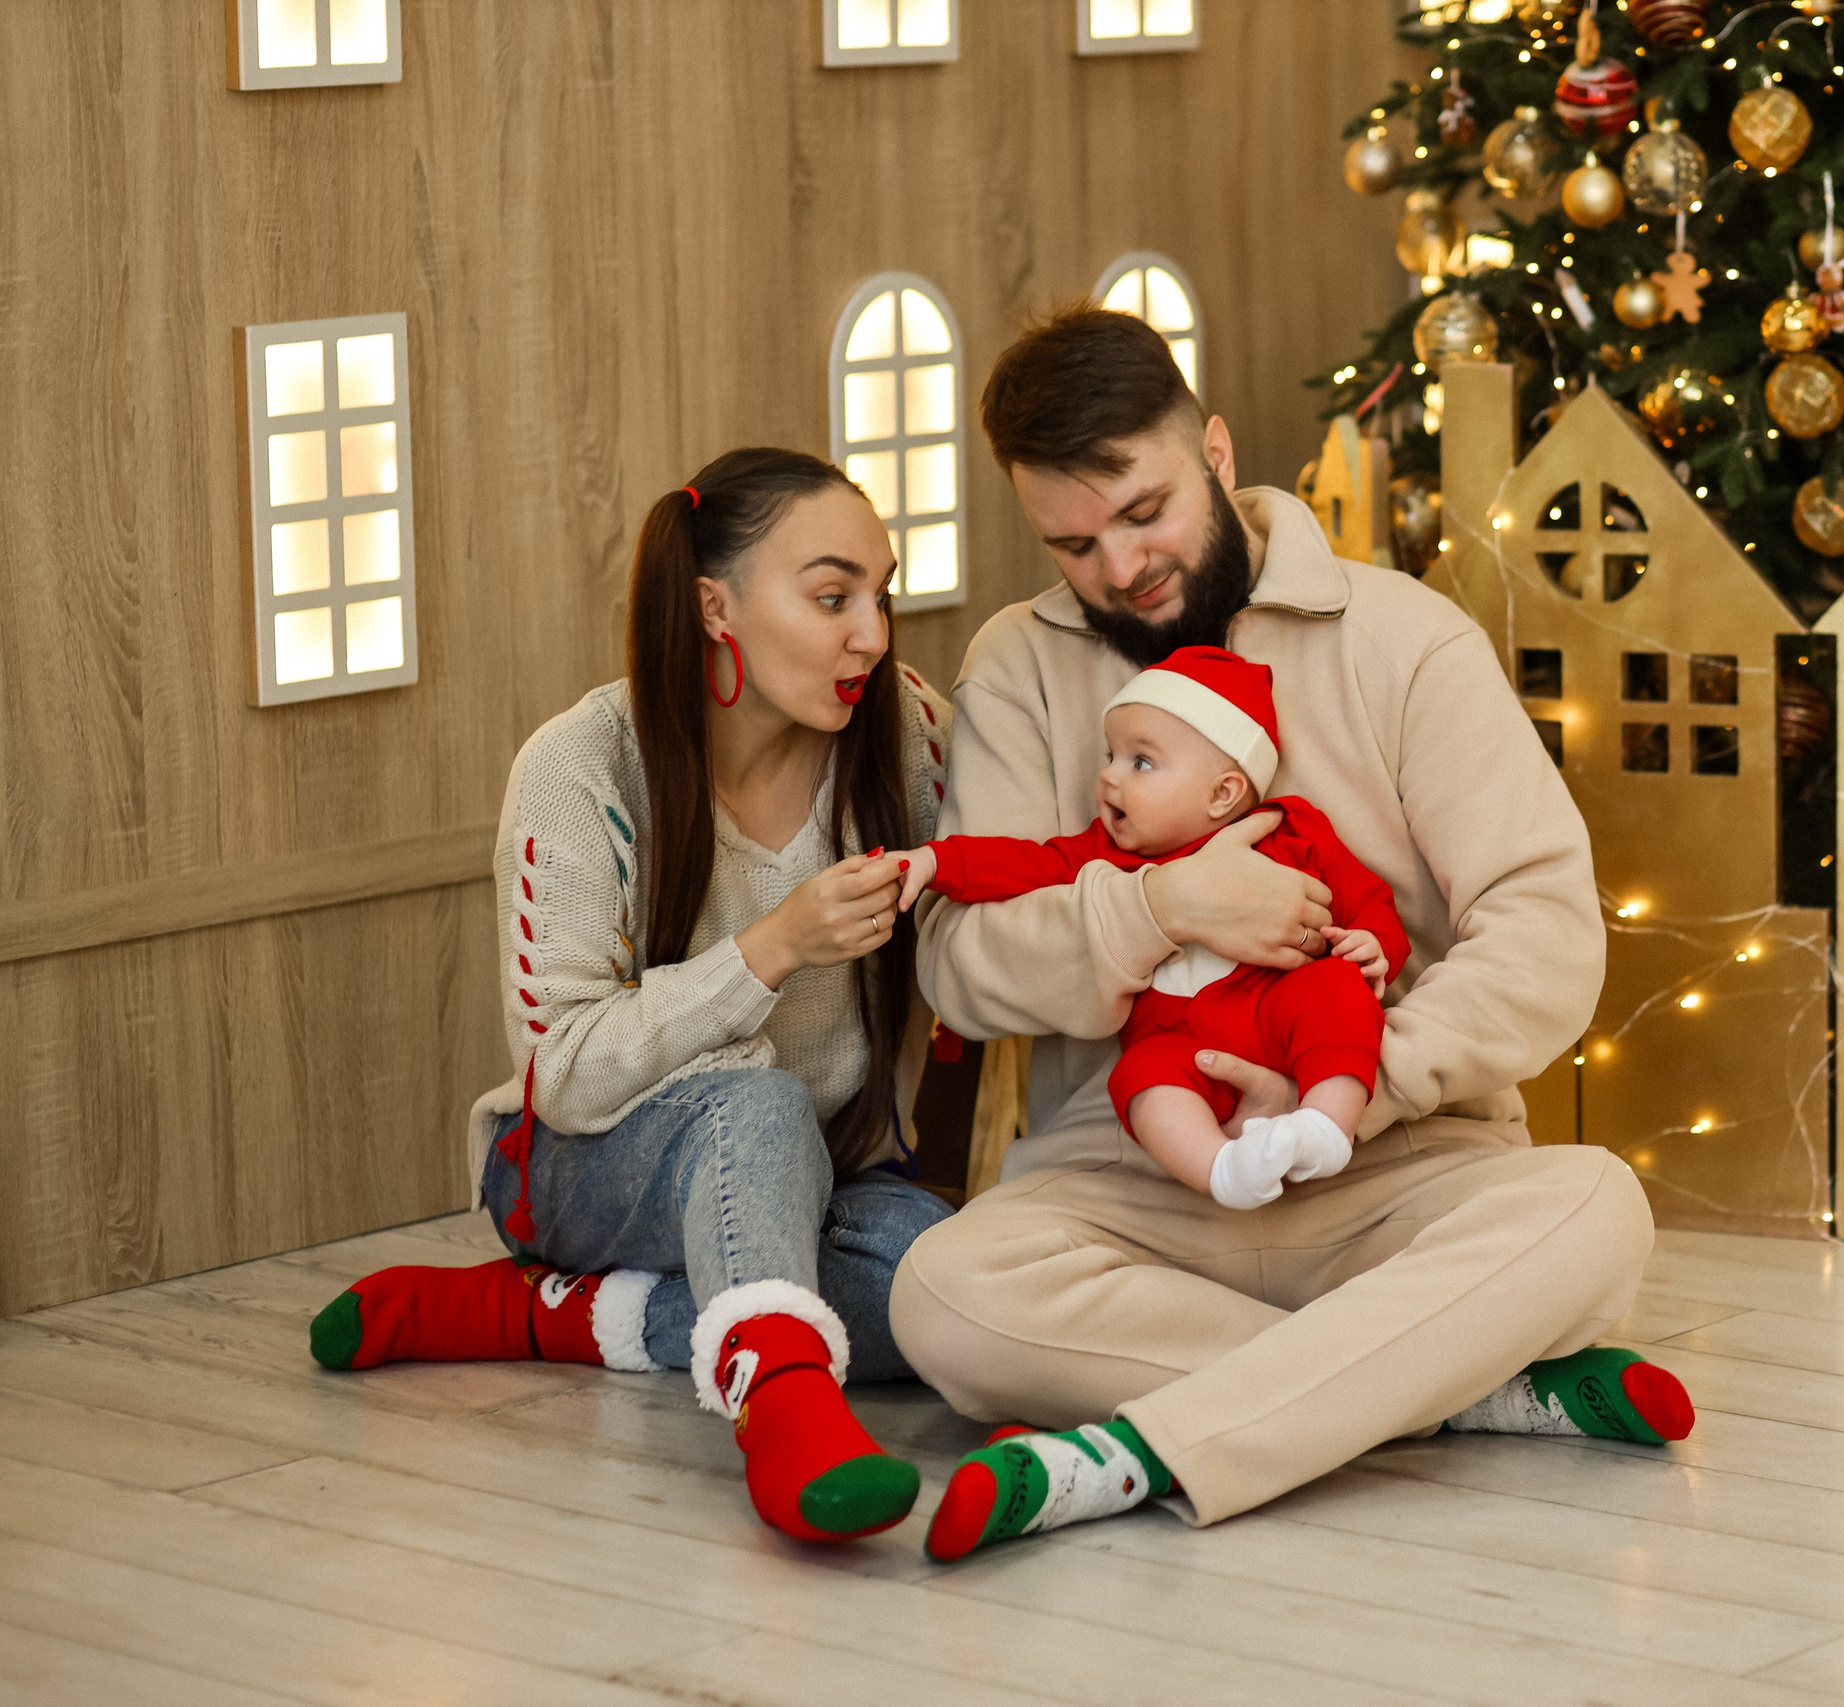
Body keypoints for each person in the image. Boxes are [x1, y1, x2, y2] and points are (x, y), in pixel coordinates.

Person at [889, 307, 1692, 1565]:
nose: (1118, 571)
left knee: (1595, 1208)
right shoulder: (1018, 665)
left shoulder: (1405, 640)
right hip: (1134, 1180)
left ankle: (1130, 1451)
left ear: (1212, 451)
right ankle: (1461, 1387)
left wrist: (1347, 1093)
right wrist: (1160, 909)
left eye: (1144, 512)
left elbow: (1544, 938)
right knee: (941, 1295)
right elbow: (956, 963)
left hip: (1400, 1164)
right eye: (1073, 543)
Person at [306, 448, 954, 1545]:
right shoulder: (579, 767)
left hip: (828, 1167)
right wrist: (768, 950)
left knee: (951, 1295)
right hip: (588, 1165)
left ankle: (554, 1318)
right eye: (833, 597)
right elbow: (561, 1072)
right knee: (754, 1103)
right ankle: (787, 1412)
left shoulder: (906, 733)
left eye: (880, 597)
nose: (873, 637)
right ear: (715, 607)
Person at [887, 643, 1405, 1210]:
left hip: (1278, 1011)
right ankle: (1221, 1170)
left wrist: (1374, 943)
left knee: (1336, 992)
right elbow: (1020, 864)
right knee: (1141, 1077)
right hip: (1181, 1041)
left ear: (1223, 793)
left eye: (1141, 762)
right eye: (1109, 756)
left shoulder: (1292, 832)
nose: (1109, 777)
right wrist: (939, 861)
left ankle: (1325, 1127)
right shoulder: (1102, 855)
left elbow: (1368, 899)